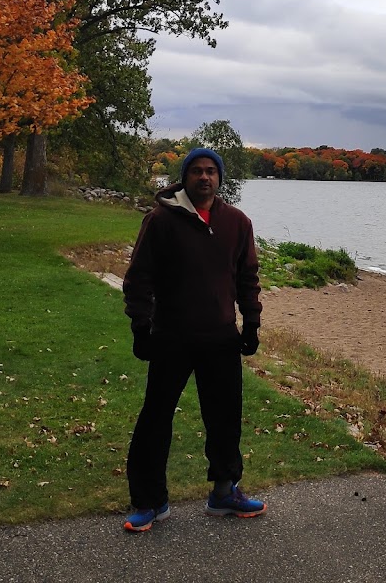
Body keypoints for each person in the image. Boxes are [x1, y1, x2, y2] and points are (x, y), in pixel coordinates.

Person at [121, 147, 265, 532]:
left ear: (220, 179)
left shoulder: (237, 222)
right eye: (197, 171)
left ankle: (224, 491)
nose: (205, 178)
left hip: (220, 338)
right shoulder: (161, 221)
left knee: (224, 420)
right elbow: (139, 278)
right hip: (171, 336)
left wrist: (250, 324)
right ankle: (150, 501)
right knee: (155, 419)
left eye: (211, 172)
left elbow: (247, 278)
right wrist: (140, 325)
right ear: (185, 177)